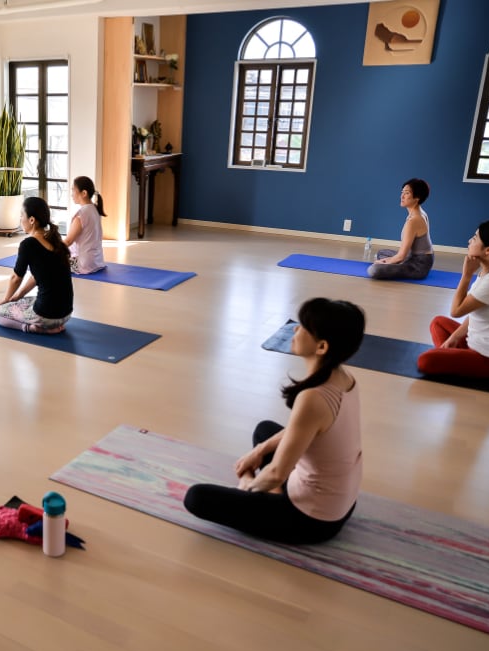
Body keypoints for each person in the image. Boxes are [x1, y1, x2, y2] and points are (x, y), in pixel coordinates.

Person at [184, 298, 366, 544]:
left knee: (196, 498)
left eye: (303, 327)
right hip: (341, 502)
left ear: (321, 346)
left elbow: (276, 473)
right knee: (265, 431)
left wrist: (246, 485)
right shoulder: (344, 378)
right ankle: (275, 492)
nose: (294, 329)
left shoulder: (313, 397)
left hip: (313, 520)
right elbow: (305, 430)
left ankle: (273, 497)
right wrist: (259, 451)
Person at [417, 220, 489, 379]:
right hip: (475, 343)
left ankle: (454, 359)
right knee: (438, 323)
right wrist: (454, 338)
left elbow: (456, 311)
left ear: (488, 250)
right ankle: (454, 357)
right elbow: (476, 311)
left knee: (424, 361)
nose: (469, 241)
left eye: (475, 238)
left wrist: (466, 276)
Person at [0, 197, 73, 334]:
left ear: (32, 220)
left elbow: (16, 278)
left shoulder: (28, 244)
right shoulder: (55, 240)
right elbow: (37, 276)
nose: (20, 219)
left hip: (46, 317)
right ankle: (47, 324)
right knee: (22, 301)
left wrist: (5, 300)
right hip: (65, 315)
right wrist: (17, 296)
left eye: (22, 215)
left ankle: (33, 328)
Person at [367, 178, 434, 280]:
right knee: (382, 253)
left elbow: (401, 256)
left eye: (406, 193)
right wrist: (388, 260)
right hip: (422, 258)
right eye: (402, 192)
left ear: (417, 197)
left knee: (374, 270)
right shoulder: (419, 212)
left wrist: (382, 263)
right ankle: (395, 264)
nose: (402, 196)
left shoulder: (414, 220)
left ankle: (397, 266)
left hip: (418, 265)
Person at [64, 176, 107, 274]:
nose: (72, 195)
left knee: (47, 262)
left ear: (84, 193)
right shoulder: (95, 209)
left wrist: (49, 250)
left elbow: (68, 241)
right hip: (97, 262)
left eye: (73, 191)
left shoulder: (81, 215)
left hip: (83, 264)